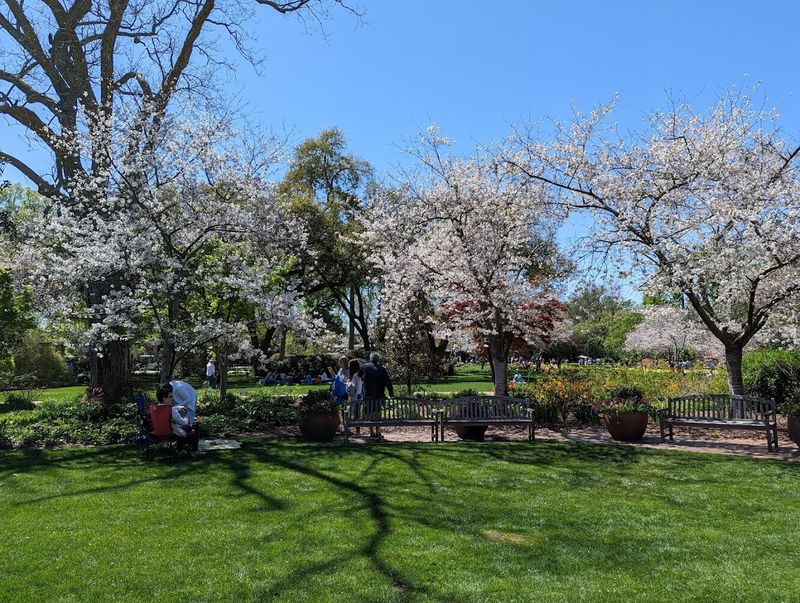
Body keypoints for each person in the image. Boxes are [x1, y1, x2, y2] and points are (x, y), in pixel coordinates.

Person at [156, 383, 202, 458]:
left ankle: (180, 449)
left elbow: (171, 410)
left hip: (159, 432)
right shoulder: (171, 411)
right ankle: (194, 451)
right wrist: (186, 414)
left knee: (179, 427)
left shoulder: (156, 409)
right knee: (194, 425)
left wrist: (177, 408)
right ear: (164, 398)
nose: (172, 399)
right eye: (170, 397)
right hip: (172, 434)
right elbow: (184, 422)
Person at [359, 352, 394, 441]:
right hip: (378, 395)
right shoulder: (382, 369)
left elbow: (359, 375)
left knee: (369, 414)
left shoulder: (364, 366)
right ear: (378, 359)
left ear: (370, 358)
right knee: (377, 414)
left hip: (367, 395)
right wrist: (391, 394)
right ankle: (378, 432)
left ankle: (371, 432)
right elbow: (388, 383)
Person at [346, 359, 363, 436]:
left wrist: (347, 383)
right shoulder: (357, 375)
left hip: (356, 396)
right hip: (358, 395)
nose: (348, 367)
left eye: (349, 365)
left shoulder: (356, 375)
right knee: (356, 414)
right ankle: (357, 431)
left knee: (356, 414)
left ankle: (358, 432)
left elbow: (354, 386)